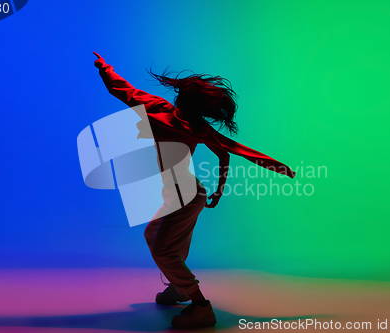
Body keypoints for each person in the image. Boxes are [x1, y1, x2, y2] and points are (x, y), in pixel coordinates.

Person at [93, 52, 296, 329]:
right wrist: (105, 68)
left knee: (164, 251)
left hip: (187, 196)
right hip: (180, 193)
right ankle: (179, 288)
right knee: (153, 234)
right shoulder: (160, 110)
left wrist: (267, 169)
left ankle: (201, 306)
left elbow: (233, 152)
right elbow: (123, 89)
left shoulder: (177, 118)